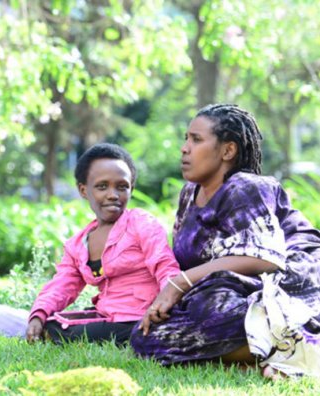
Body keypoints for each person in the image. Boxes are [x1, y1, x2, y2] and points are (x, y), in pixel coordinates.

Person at [131, 104, 320, 378]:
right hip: (234, 291)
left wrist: (181, 283)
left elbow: (264, 258)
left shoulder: (246, 186)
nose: (184, 148)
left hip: (294, 282)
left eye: (196, 140)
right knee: (146, 337)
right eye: (186, 139)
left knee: (211, 303)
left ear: (228, 151)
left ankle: (301, 349)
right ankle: (279, 355)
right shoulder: (189, 194)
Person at [26, 143, 181, 345]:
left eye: (122, 187)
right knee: (53, 324)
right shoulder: (78, 244)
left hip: (143, 316)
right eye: (102, 186)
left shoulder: (141, 223)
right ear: (83, 190)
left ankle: (140, 335)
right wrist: (38, 314)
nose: (112, 194)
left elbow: (164, 266)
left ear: (131, 189)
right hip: (107, 315)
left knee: (69, 333)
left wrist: (164, 304)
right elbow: (62, 284)